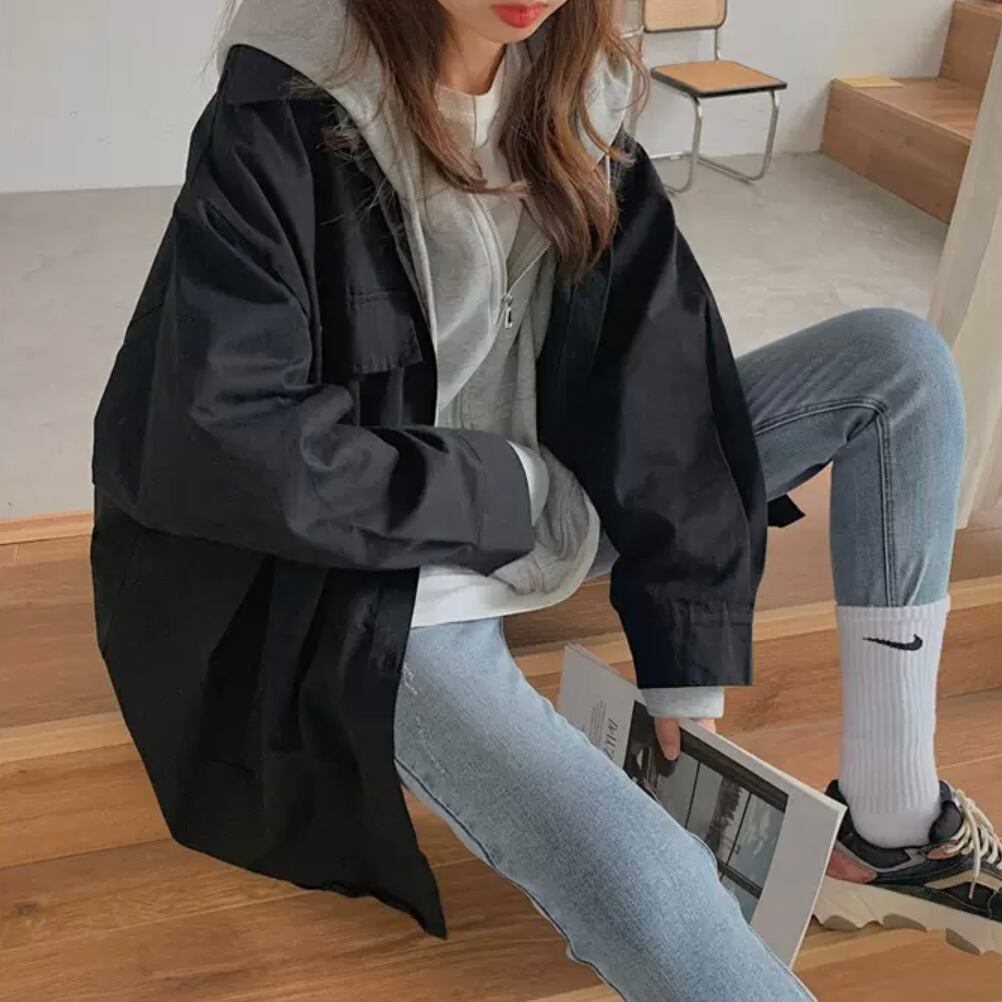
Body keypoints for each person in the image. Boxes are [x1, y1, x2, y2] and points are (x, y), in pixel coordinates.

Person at [89, 0, 1001, 998]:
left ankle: (896, 826)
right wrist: (510, 489)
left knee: (899, 368)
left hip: (558, 494)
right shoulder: (285, 107)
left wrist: (683, 646)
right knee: (657, 881)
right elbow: (230, 438)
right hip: (377, 576)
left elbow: (657, 365)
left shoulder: (576, 87)